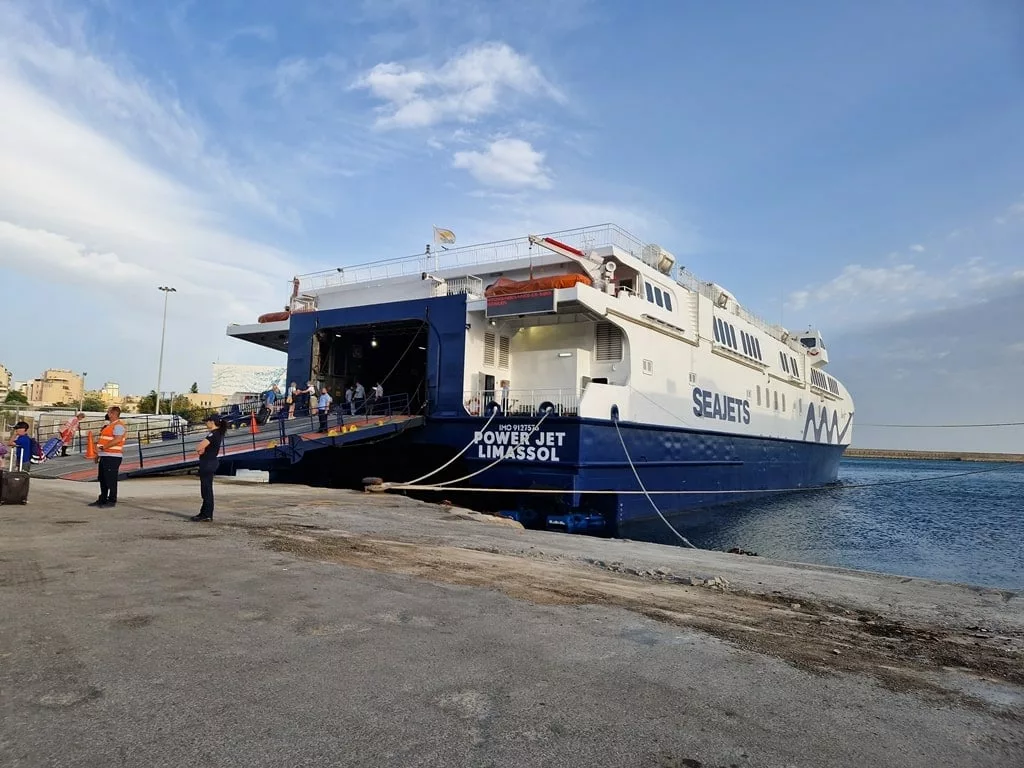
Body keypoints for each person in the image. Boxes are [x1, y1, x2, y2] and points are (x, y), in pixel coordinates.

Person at [89, 406, 127, 508]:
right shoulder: (109, 426)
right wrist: (98, 455)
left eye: (108, 412)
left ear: (113, 414)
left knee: (111, 479)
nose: (107, 414)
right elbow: (103, 440)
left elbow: (118, 439)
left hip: (112, 456)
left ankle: (112, 500)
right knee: (103, 478)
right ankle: (103, 498)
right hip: (105, 455)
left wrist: (103, 448)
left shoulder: (118, 426)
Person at [192, 414, 227, 522]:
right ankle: (204, 512)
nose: (206, 423)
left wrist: (200, 449)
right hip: (210, 462)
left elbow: (199, 447)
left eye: (207, 421)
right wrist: (201, 450)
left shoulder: (213, 434)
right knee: (206, 489)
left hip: (208, 463)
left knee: (206, 490)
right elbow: (202, 448)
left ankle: (207, 514)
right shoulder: (217, 434)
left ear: (212, 422)